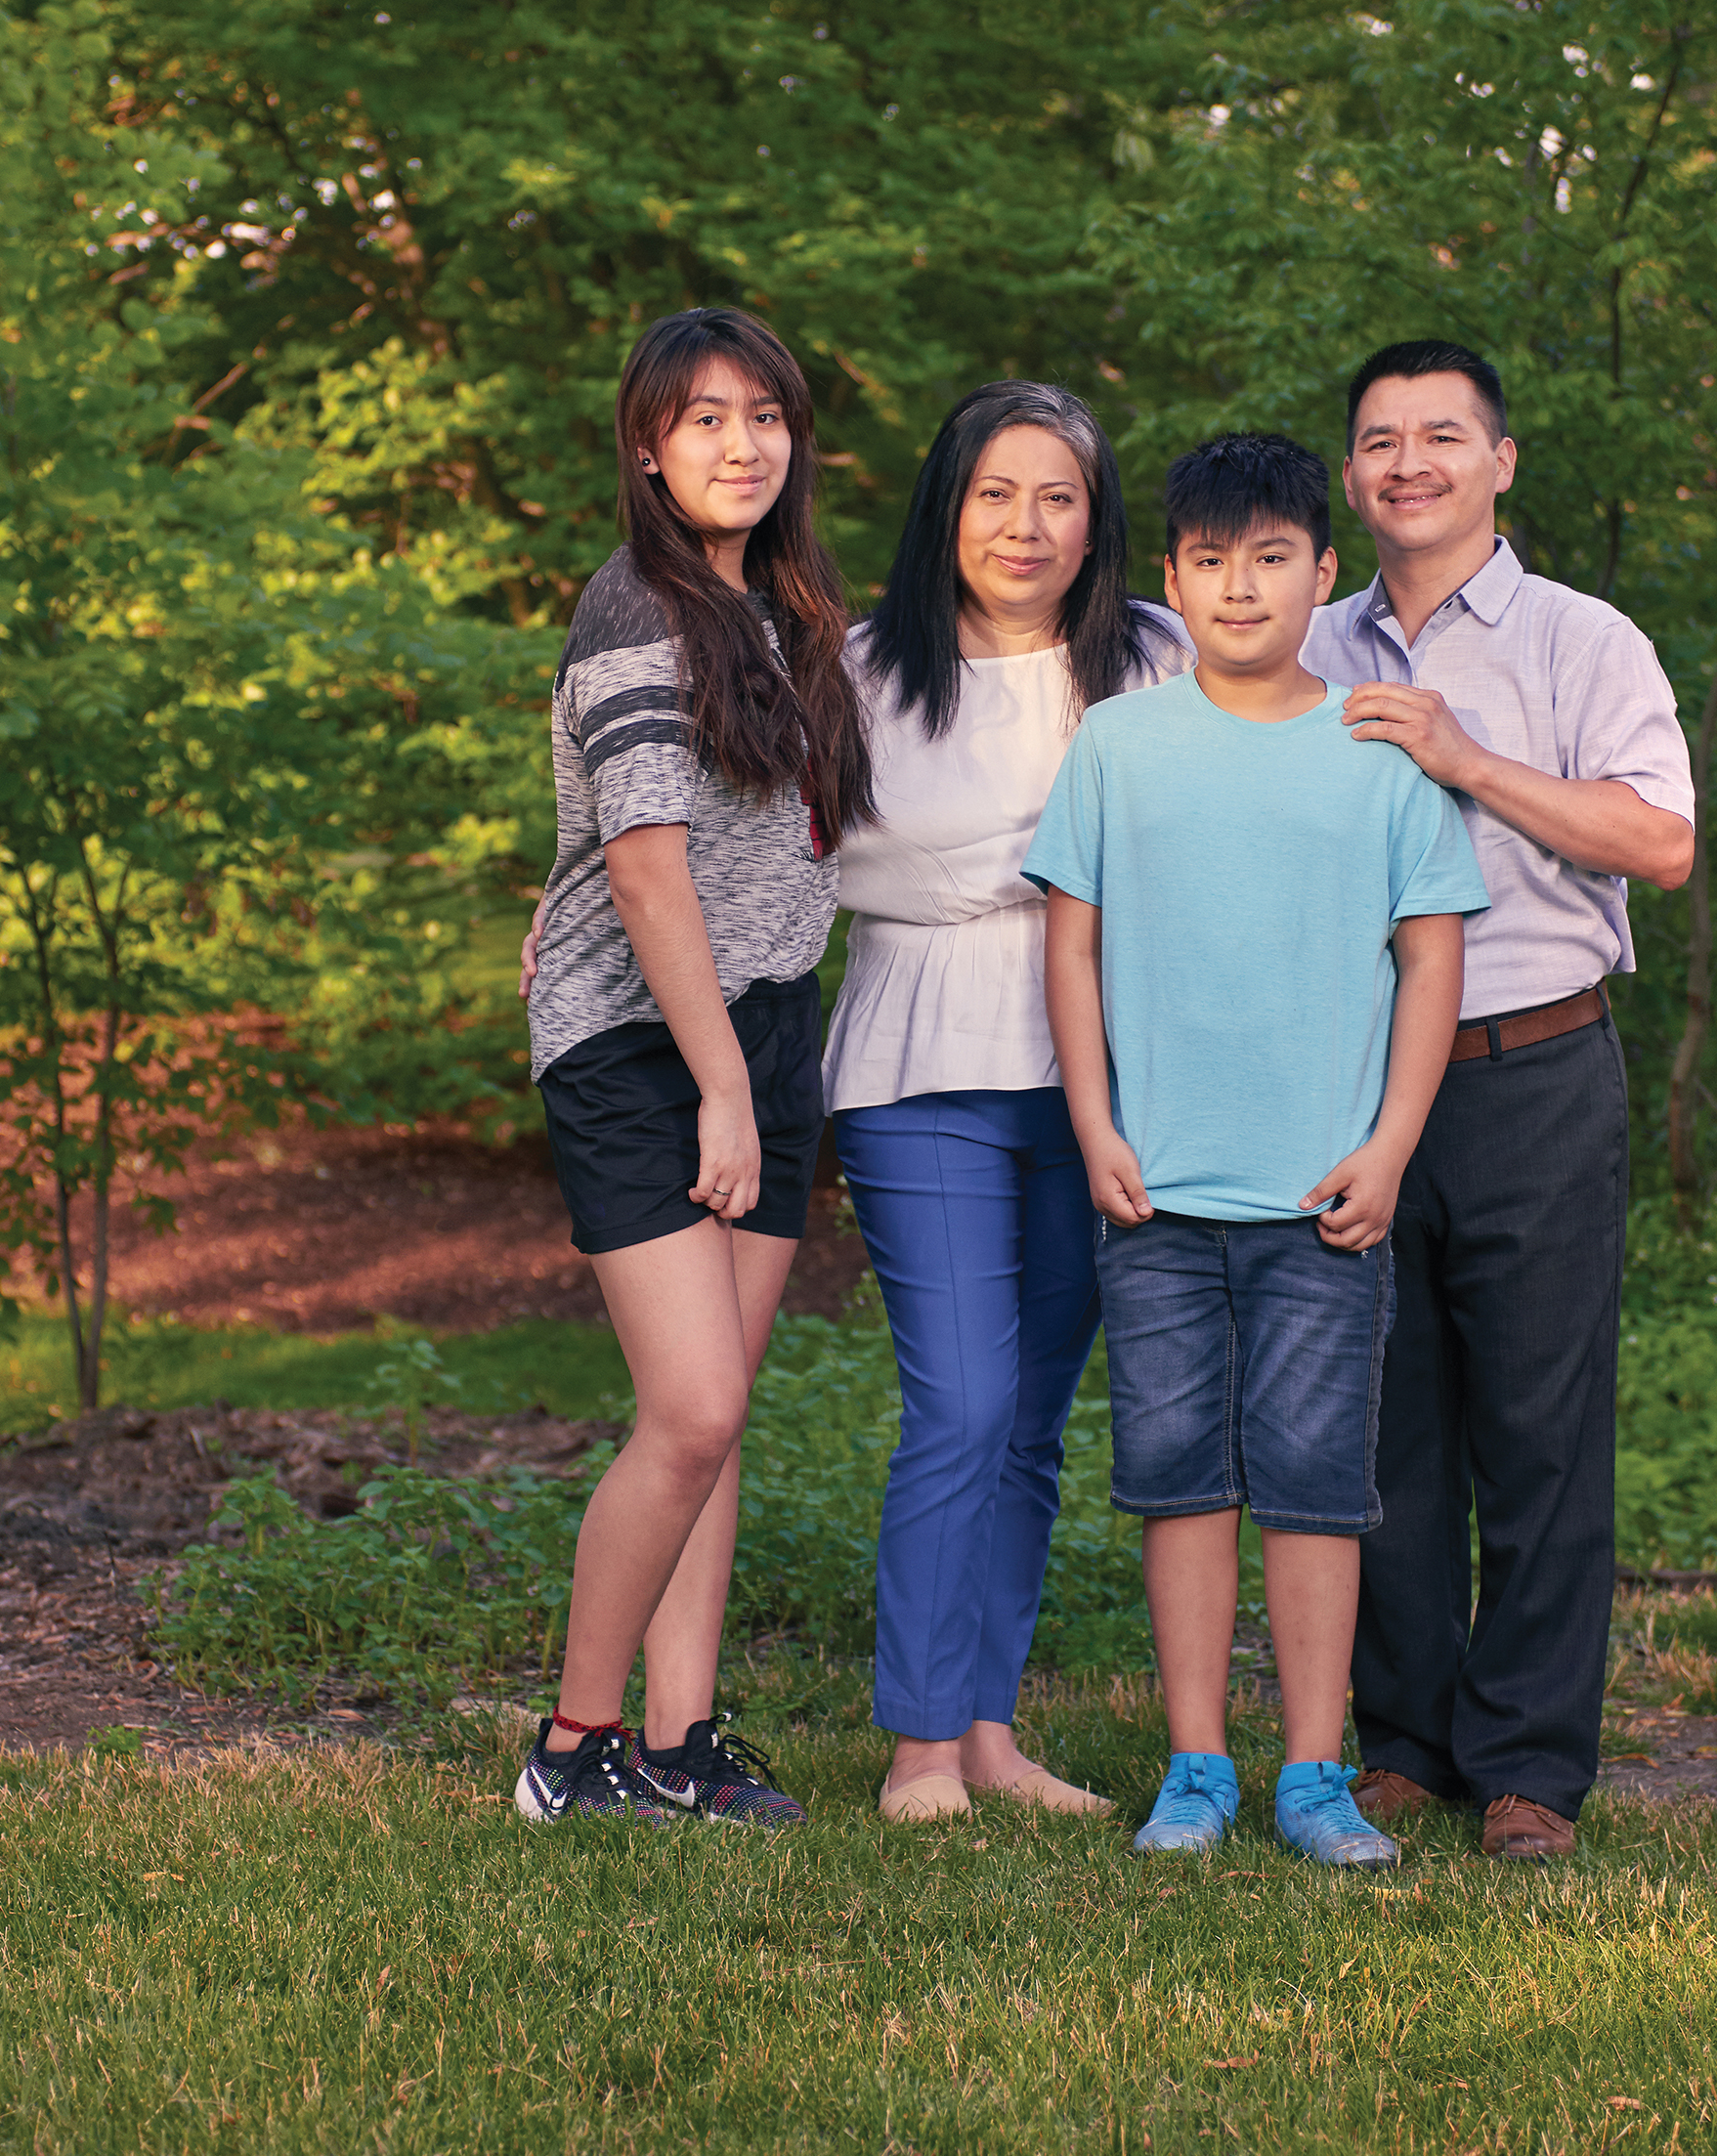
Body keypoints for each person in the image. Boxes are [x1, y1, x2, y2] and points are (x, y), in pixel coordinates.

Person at [1025, 433, 1486, 1868]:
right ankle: (1194, 1762)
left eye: (1270, 557)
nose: (1240, 586)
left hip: (1321, 1201)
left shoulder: (1377, 748)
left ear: (1320, 570)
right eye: (1211, 561)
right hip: (1154, 1190)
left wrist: (1392, 1143)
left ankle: (1309, 1770)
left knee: (1310, 1485)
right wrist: (1093, 1123)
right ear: (1171, 577)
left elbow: (1428, 961)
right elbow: (1070, 947)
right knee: (1175, 1478)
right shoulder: (1115, 745)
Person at [1306, 339, 1696, 1861]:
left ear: (1500, 462)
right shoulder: (1306, 637)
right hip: (1348, 1079)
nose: (1406, 462)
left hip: (1533, 1065)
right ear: (1350, 472)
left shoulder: (1580, 639)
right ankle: (1401, 1742)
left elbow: (1657, 841)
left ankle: (1530, 1760)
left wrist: (1469, 759)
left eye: (1440, 437)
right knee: (1381, 1429)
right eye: (1379, 440)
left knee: (1537, 1426)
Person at [512, 307, 876, 1829]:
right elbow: (649, 871)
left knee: (717, 1412)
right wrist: (719, 1087)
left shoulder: (785, 609)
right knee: (693, 1408)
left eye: (765, 415)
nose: (740, 443)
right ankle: (568, 1745)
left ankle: (681, 1738)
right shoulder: (634, 612)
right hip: (645, 1047)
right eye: (704, 417)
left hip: (767, 1020)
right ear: (649, 448)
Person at [822, 381, 1191, 1824]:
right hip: (918, 1068)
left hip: (1100, 1079)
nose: (1024, 525)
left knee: (1034, 1419)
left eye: (1057, 497)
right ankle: (915, 1742)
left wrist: (1013, 870)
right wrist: (1052, 864)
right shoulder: (858, 669)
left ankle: (987, 1729)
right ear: (946, 505)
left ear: (1095, 523)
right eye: (995, 492)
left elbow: (1188, 848)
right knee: (960, 1404)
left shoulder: (1153, 662)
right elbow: (843, 869)